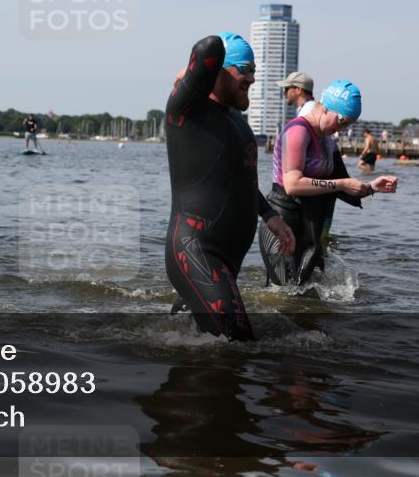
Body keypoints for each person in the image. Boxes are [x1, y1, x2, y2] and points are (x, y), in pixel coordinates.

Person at [165, 33, 295, 341]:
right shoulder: (187, 111)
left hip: (228, 257)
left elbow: (240, 180)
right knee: (238, 343)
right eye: (245, 69)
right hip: (197, 248)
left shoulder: (236, 120)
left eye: (254, 71)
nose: (252, 79)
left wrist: (270, 215)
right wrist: (195, 72)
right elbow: (208, 46)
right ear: (218, 70)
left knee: (194, 338)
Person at [259, 81, 398, 286]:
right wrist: (341, 184)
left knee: (308, 292)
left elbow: (342, 183)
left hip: (310, 228)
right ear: (325, 107)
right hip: (284, 223)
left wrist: (370, 188)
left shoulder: (328, 141)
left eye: (347, 125)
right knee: (285, 295)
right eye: (341, 121)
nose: (340, 129)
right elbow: (292, 184)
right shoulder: (298, 131)